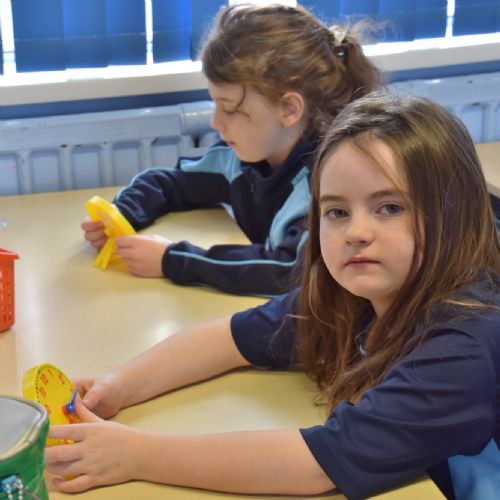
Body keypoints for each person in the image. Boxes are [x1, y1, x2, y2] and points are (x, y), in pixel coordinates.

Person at [47, 92, 500, 499]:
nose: (356, 232)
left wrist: (136, 455)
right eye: (337, 211)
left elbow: (316, 465)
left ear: (453, 213)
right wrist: (117, 385)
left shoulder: (463, 345)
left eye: (390, 207)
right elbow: (229, 338)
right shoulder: (350, 296)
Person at [81, 3, 382, 296]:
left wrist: (172, 260)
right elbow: (169, 183)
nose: (215, 122)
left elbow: (286, 271)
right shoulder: (235, 159)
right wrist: (121, 214)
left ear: (289, 109)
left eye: (229, 109)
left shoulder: (326, 183)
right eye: (215, 105)